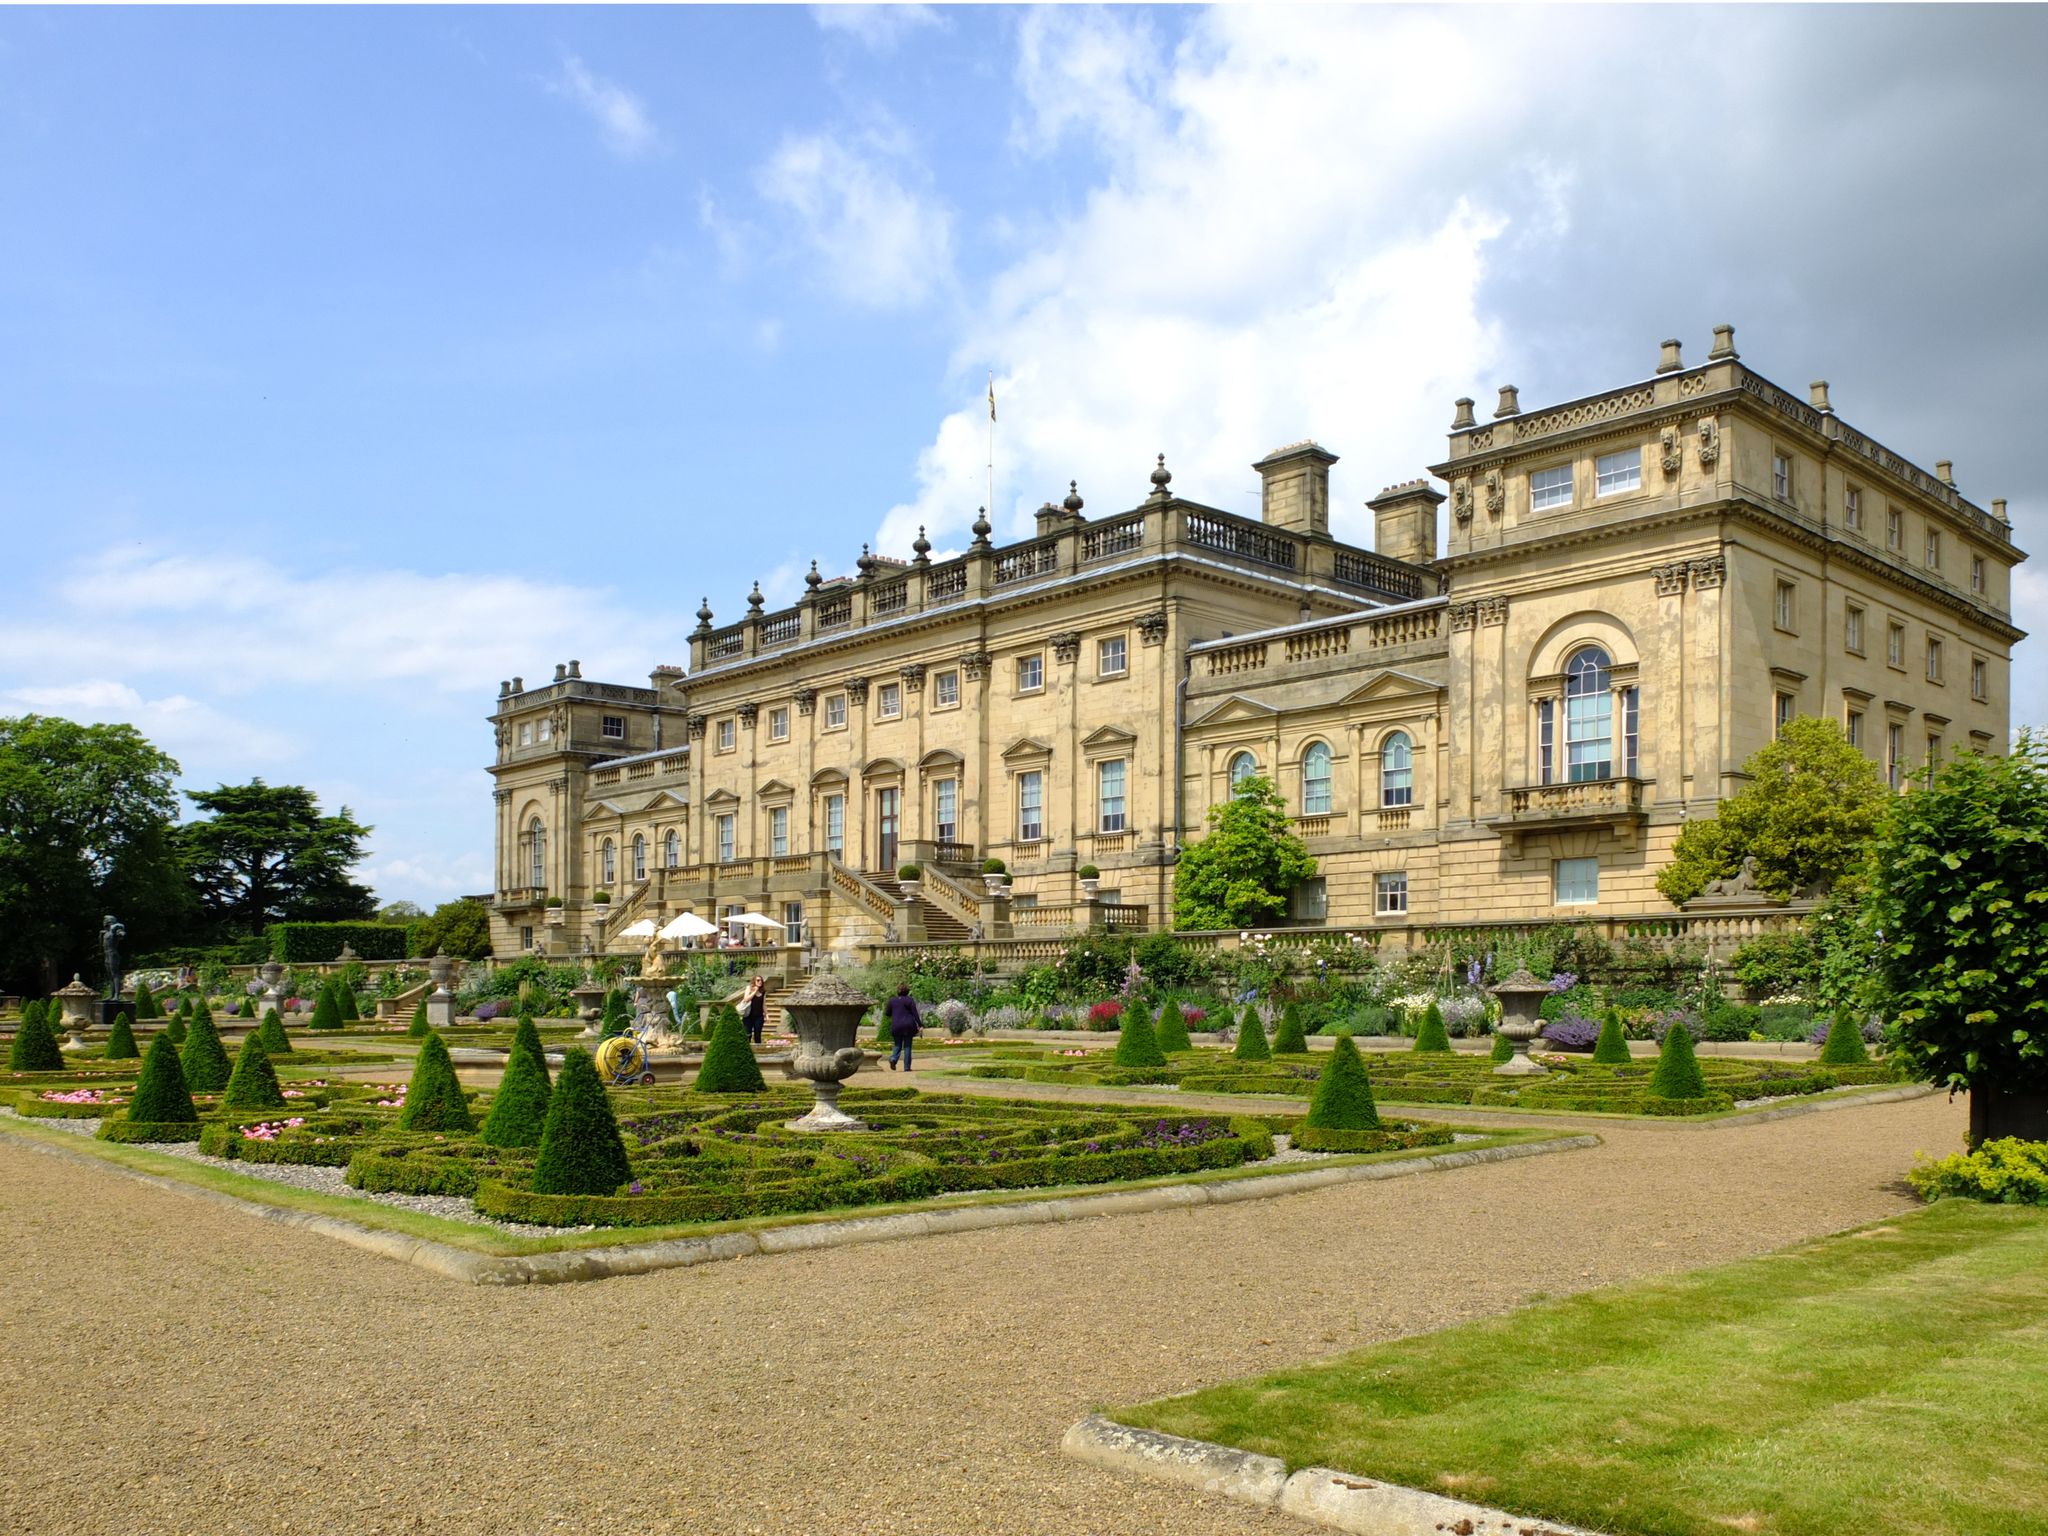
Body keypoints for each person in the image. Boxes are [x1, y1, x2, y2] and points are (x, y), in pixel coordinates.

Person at [885, 984, 922, 1072]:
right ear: (907, 991)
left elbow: (887, 1013)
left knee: (897, 1044)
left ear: (897, 991)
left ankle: (893, 1059)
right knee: (907, 1046)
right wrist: (920, 1024)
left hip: (896, 1025)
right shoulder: (909, 1000)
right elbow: (915, 1013)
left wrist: (895, 1013)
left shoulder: (892, 1001)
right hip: (908, 1025)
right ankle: (906, 1067)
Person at [740, 975, 767, 1044]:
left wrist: (766, 1015)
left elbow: (763, 1004)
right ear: (754, 981)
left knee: (757, 1035)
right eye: (758, 980)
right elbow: (746, 999)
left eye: (761, 980)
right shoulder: (749, 988)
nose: (760, 982)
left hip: (759, 1016)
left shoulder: (763, 991)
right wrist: (754, 991)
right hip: (748, 1015)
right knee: (747, 1034)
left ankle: (758, 1051)